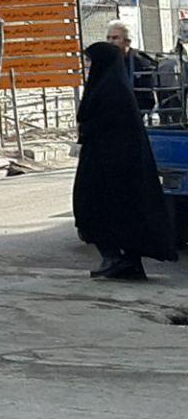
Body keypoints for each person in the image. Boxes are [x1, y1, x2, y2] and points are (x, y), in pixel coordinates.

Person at [73, 40, 177, 279]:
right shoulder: (112, 86)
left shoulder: (113, 91)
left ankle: (118, 259)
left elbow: (105, 127)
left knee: (97, 210)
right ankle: (121, 261)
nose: (88, 67)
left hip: (113, 170)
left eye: (91, 61)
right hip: (108, 166)